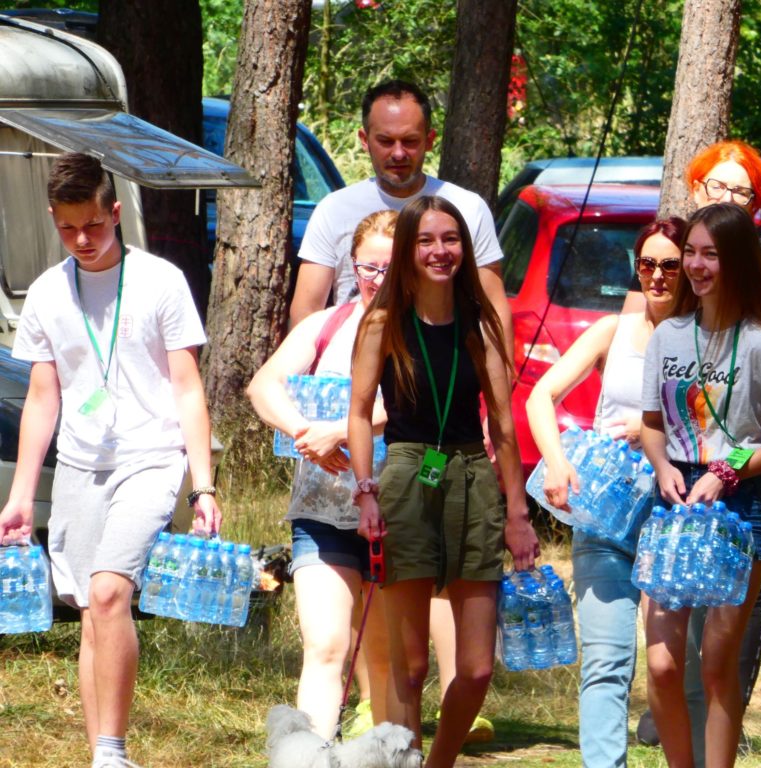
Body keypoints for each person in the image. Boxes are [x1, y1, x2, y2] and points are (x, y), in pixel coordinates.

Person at [0, 152, 221, 768]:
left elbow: (187, 388)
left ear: (116, 212)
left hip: (151, 458)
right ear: (53, 219)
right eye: (68, 228)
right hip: (79, 464)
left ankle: (113, 749)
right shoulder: (48, 292)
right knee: (88, 609)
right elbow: (43, 397)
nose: (82, 240)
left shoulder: (160, 281)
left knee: (107, 593)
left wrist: (202, 486)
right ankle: (102, 753)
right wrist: (20, 496)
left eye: (93, 225)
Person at [632, 141, 761, 761]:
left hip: (737, 506)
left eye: (711, 254)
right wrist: (662, 465)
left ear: (737, 261)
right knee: (661, 665)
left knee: (716, 666)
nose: (696, 265)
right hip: (675, 504)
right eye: (691, 252)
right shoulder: (668, 336)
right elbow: (652, 424)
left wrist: (728, 469)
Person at [347, 196, 539, 768]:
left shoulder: (480, 323)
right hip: (407, 474)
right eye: (426, 240)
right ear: (408, 249)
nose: (439, 251)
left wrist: (517, 513)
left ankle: (439, 763)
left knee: (476, 668)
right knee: (410, 667)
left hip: (473, 475)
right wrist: (366, 490)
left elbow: (503, 425)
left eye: (450, 239)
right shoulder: (382, 321)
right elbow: (359, 412)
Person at [526, 218, 686, 767]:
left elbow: (723, 423)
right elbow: (541, 396)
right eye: (647, 264)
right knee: (605, 661)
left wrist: (652, 428)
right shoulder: (612, 330)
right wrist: (556, 461)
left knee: (668, 666)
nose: (657, 276)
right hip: (605, 509)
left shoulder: (706, 335)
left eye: (670, 265)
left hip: (673, 513)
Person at [247, 210, 397, 741]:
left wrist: (341, 430)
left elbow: (414, 405)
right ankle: (311, 753)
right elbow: (263, 386)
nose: (378, 279)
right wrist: (304, 431)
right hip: (321, 514)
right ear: (352, 265)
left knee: (388, 661)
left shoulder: (422, 331)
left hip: (396, 514)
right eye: (369, 268)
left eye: (391, 268)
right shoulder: (326, 325)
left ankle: (384, 743)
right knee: (326, 646)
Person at [289, 79, 510, 342]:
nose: (398, 153)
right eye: (385, 141)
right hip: (351, 359)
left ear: (429, 140)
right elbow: (306, 312)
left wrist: (501, 368)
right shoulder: (334, 209)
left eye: (410, 141)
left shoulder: (467, 208)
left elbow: (494, 310)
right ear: (364, 140)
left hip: (442, 361)